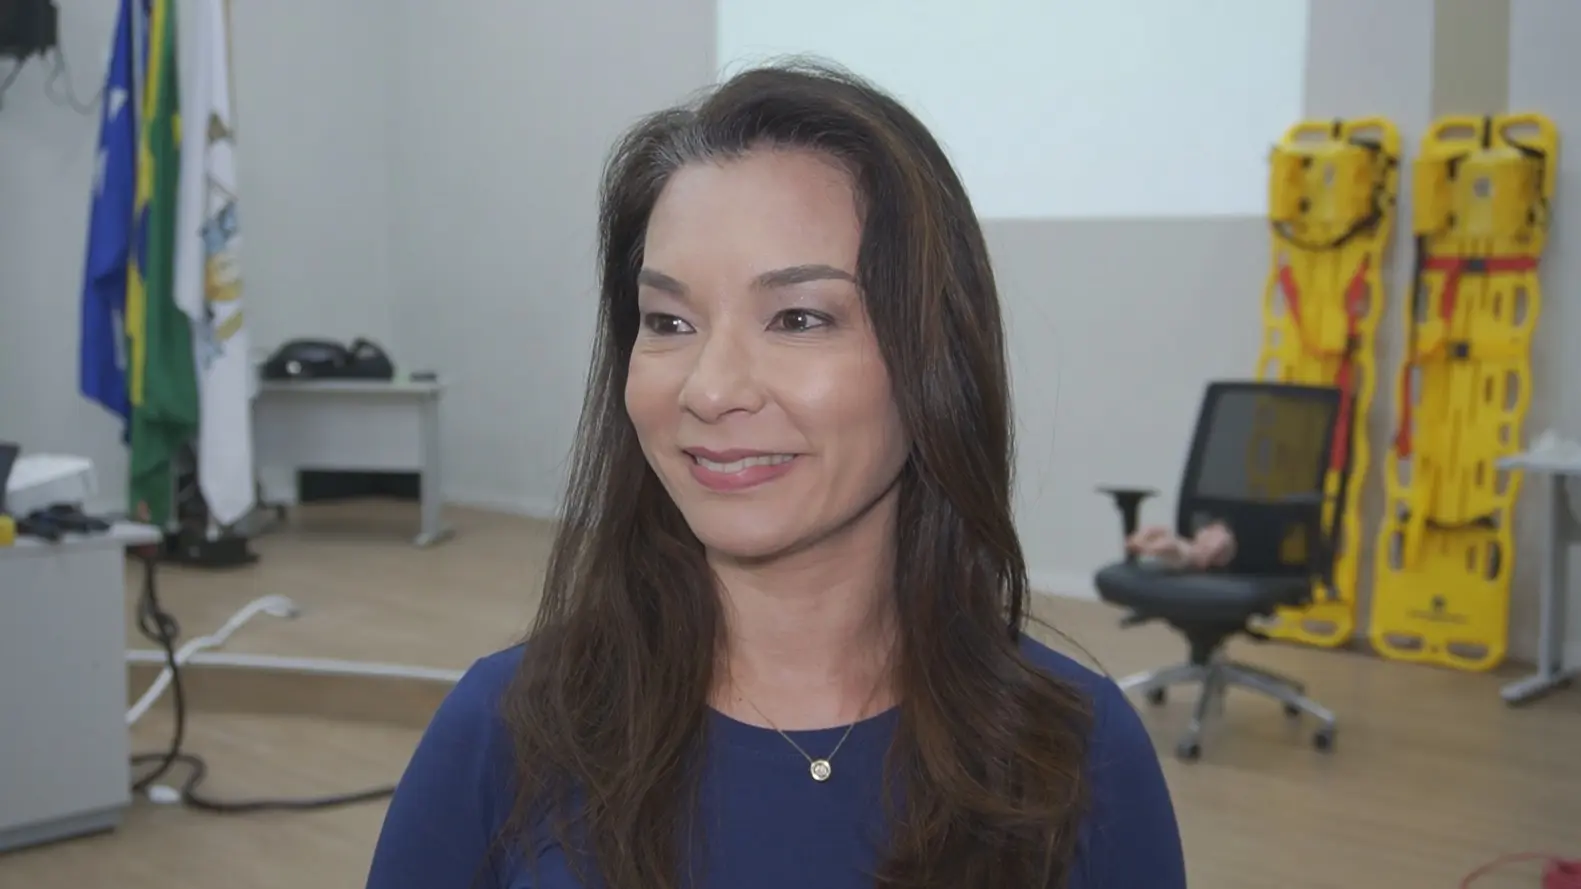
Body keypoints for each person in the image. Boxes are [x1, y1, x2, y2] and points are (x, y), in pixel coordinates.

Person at [366, 61, 1186, 889]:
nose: (712, 388)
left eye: (798, 318)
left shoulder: (1078, 750)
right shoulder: (503, 728)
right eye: (668, 321)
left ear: (934, 359)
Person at [1128, 521, 1238, 570]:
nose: (1207, 531)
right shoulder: (1192, 542)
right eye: (1209, 528)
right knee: (1160, 531)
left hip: (1185, 559)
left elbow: (1204, 559)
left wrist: (1204, 553)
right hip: (1184, 548)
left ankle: (1145, 548)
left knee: (1169, 545)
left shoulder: (1220, 543)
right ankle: (1139, 540)